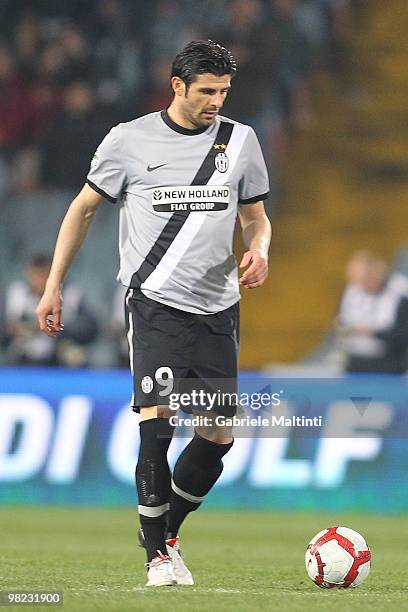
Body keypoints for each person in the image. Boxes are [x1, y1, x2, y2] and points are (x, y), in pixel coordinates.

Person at [36, 40, 271, 587]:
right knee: (157, 424)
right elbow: (83, 208)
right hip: (155, 304)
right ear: (178, 87)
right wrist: (53, 287)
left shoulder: (241, 142)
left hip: (218, 306)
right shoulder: (128, 140)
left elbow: (256, 217)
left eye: (224, 91)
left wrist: (260, 248)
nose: (217, 101)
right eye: (208, 91)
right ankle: (157, 560)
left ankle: (166, 530)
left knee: (217, 437)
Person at [3, 253, 98, 366]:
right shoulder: (18, 294)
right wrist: (13, 329)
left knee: (74, 355)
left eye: (42, 275)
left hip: (59, 357)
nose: (37, 281)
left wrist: (55, 327)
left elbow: (90, 328)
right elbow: (5, 329)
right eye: (34, 275)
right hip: (23, 358)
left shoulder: (69, 294)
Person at [336, 250, 408, 373]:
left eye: (366, 279)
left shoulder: (400, 292)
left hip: (388, 365)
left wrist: (371, 332)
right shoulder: (353, 290)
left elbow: (402, 334)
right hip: (355, 362)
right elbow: (342, 321)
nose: (363, 285)